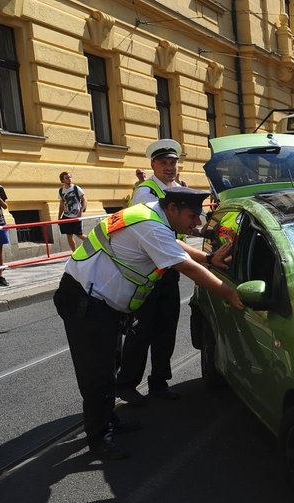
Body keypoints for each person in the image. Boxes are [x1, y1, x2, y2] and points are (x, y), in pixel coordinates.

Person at [54, 187, 243, 460]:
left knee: (110, 364)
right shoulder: (150, 225)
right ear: (173, 209)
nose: (197, 223)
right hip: (86, 302)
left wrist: (208, 258)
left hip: (98, 302)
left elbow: (174, 245)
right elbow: (186, 267)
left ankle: (108, 421)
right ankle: (99, 439)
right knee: (98, 374)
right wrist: (231, 293)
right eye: (192, 215)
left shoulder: (152, 217)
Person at [115, 139, 187, 405]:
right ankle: (126, 383)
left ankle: (159, 382)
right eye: (164, 163)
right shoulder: (146, 192)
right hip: (148, 270)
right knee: (141, 330)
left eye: (173, 162)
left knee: (166, 329)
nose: (169, 167)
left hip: (167, 267)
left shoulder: (179, 189)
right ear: (153, 165)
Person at [58, 171, 88, 251]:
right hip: (67, 216)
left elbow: (84, 200)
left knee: (79, 235)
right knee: (69, 235)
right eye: (67, 178)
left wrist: (81, 212)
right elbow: (61, 205)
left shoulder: (76, 188)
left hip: (76, 216)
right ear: (62, 180)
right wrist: (59, 216)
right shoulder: (61, 190)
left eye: (70, 177)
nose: (69, 179)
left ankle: (95, 243)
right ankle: (74, 254)